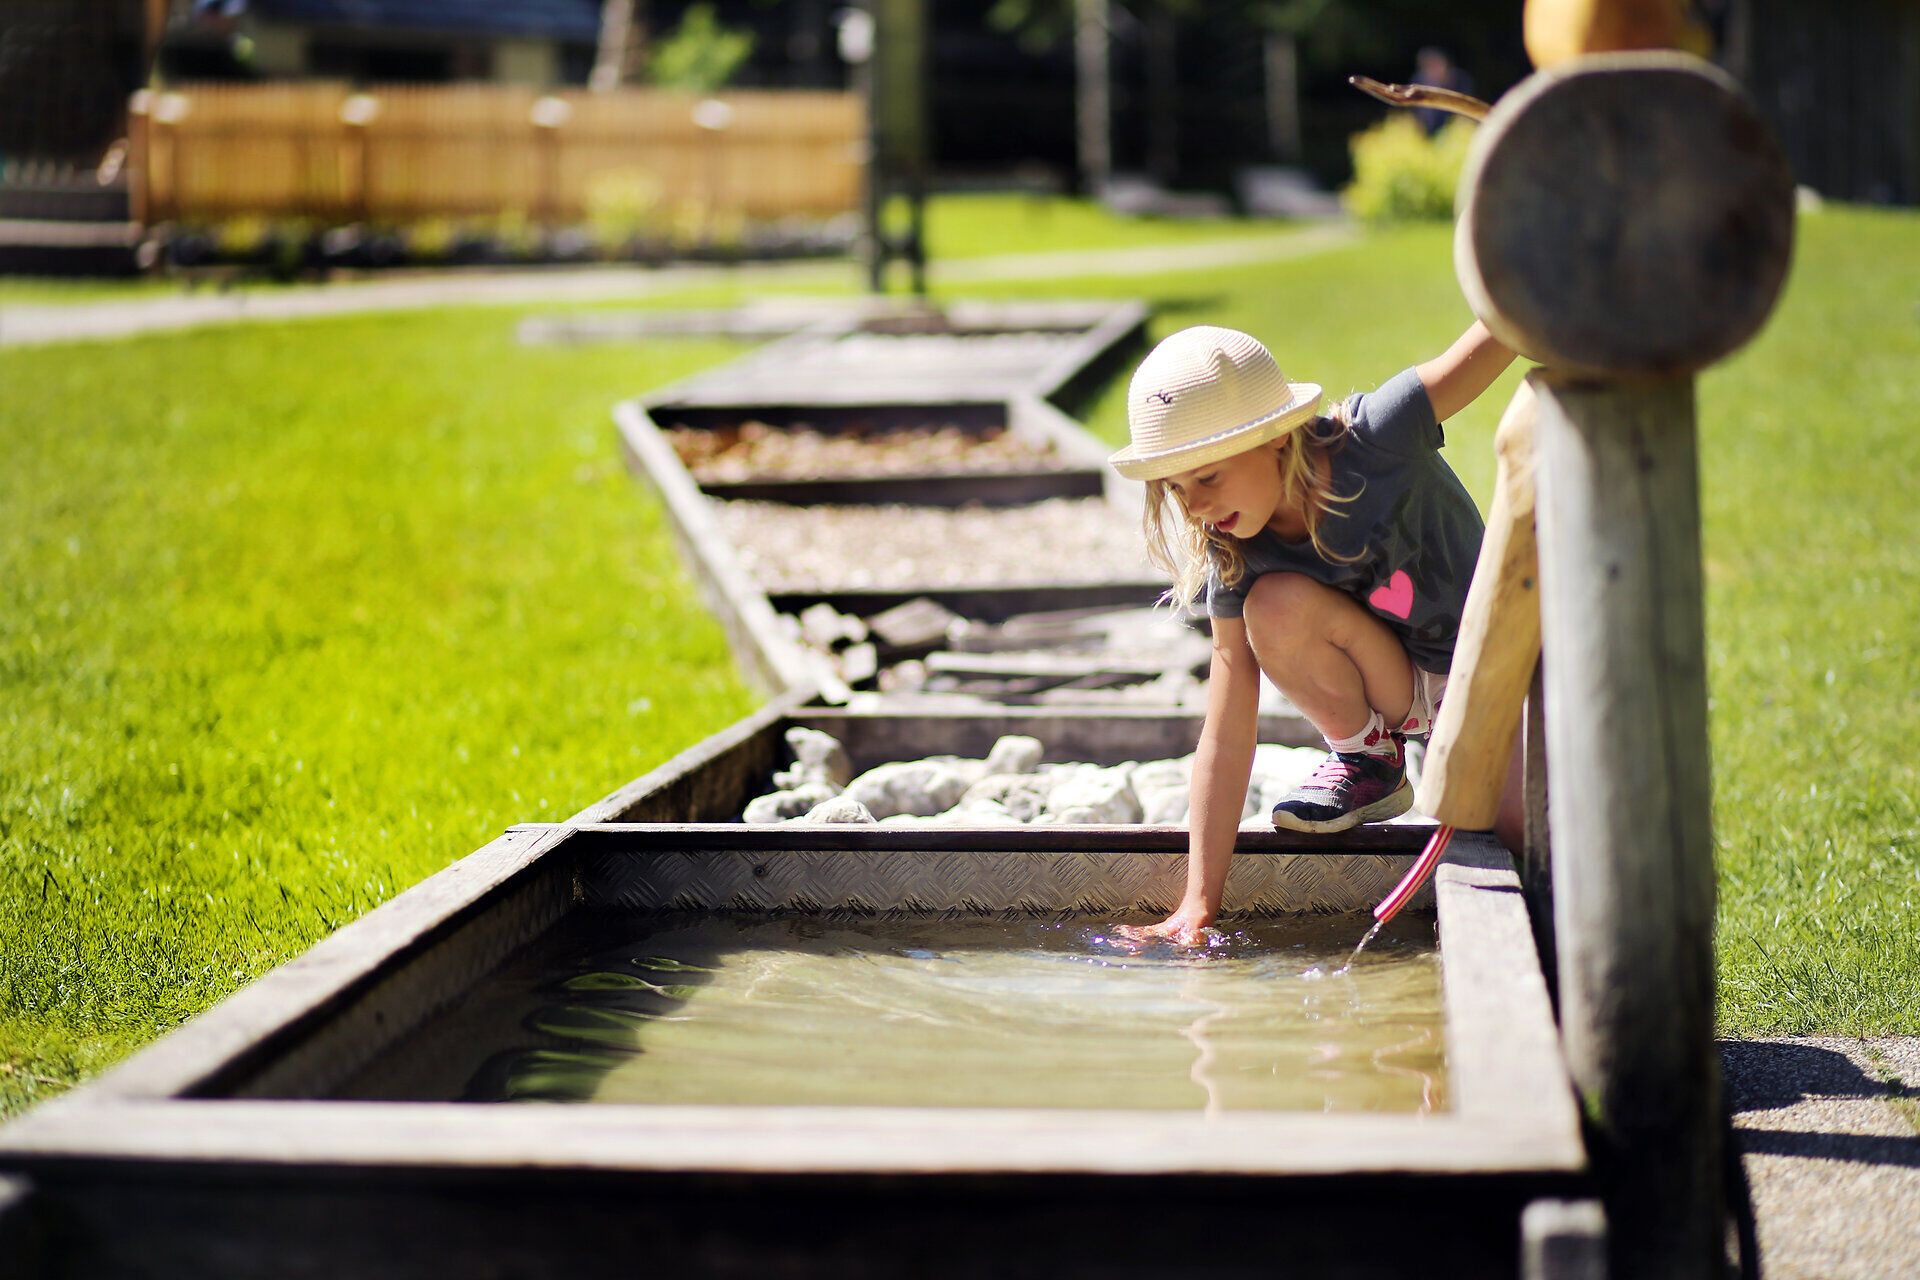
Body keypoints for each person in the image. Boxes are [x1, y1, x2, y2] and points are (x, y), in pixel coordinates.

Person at [1107, 320, 1517, 944]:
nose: (1194, 507)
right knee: (1273, 607)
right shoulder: (1235, 553)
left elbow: (1497, 336)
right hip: (1412, 693)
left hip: (1505, 670)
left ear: (1275, 436)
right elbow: (1227, 724)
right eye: (1176, 488)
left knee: (1521, 840)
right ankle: (1370, 758)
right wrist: (1197, 903)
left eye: (1208, 477)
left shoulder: (1380, 435)